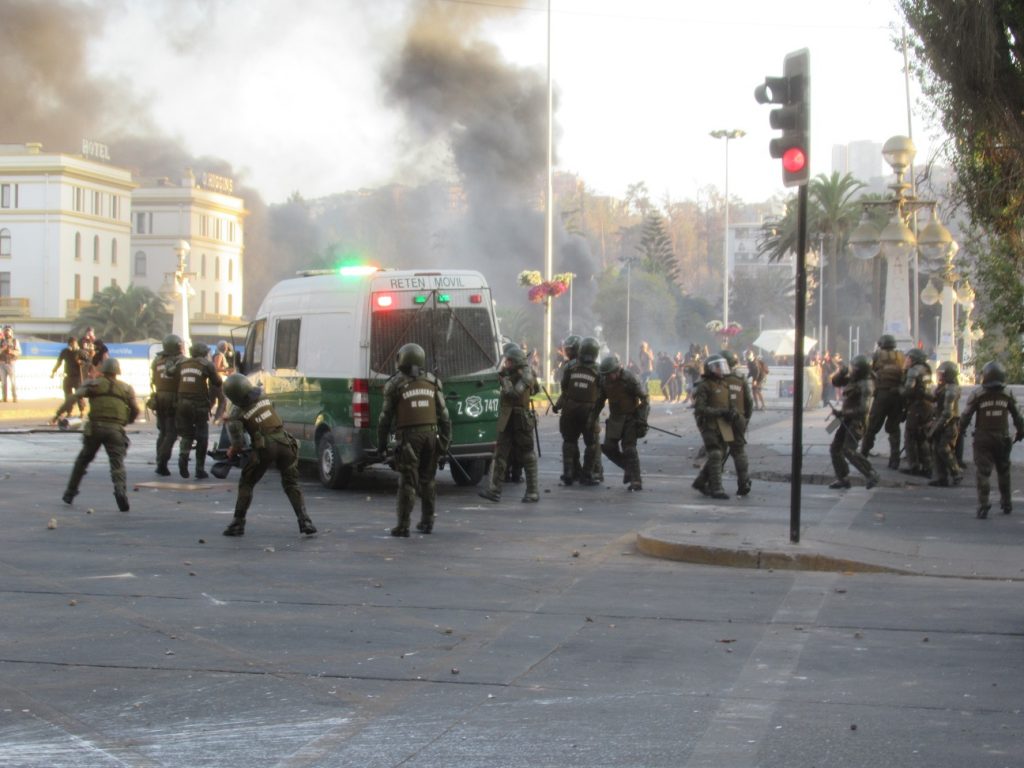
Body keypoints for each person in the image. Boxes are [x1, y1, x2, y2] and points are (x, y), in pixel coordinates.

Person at [220, 373, 317, 537]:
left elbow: (238, 444)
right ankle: (305, 521)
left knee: (247, 483)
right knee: (291, 484)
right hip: (286, 444)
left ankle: (237, 523)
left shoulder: (236, 414)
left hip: (265, 449)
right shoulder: (263, 396)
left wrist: (231, 451)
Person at [376, 343, 452, 536]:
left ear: (401, 360)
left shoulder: (395, 385)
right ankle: (427, 522)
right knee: (428, 480)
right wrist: (444, 443)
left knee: (408, 482)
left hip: (409, 438)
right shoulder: (433, 382)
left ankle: (403, 526)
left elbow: (384, 419)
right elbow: (444, 417)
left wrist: (381, 446)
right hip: (431, 436)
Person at [58, 358, 139, 512]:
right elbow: (135, 410)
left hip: (95, 428)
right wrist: (126, 421)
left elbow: (74, 397)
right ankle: (120, 490)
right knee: (117, 464)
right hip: (115, 429)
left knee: (82, 461)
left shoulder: (93, 384)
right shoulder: (126, 388)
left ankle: (70, 493)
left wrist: (59, 413)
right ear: (117, 371)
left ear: (103, 370)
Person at [959, 361, 1024, 519]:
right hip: (1002, 436)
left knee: (983, 472)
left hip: (983, 438)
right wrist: (1020, 432)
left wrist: (960, 430)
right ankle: (1006, 502)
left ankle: (984, 504)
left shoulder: (978, 394)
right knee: (1004, 471)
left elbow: (966, 415)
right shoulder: (1007, 394)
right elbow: (1018, 416)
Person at [479, 346, 541, 503]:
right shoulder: (515, 373)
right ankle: (494, 490)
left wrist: (505, 381)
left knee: (527, 454)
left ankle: (532, 492)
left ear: (516, 362)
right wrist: (506, 375)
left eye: (509, 361)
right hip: (508, 418)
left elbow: (514, 394)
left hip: (520, 419)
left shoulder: (526, 374)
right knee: (500, 453)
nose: (506, 364)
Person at [592, 353, 649, 491]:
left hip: (630, 418)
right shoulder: (605, 381)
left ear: (617, 370)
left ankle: (636, 480)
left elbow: (645, 399)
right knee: (608, 448)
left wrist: (641, 418)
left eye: (610, 374)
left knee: (629, 448)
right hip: (615, 419)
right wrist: (591, 418)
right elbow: (600, 401)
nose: (608, 377)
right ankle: (629, 468)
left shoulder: (629, 379)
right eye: (605, 375)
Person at [552, 335, 602, 486]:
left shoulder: (570, 367)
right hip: (589, 411)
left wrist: (558, 405)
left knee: (569, 441)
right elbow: (603, 392)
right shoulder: (599, 370)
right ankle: (587, 475)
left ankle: (569, 473)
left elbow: (565, 389)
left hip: (570, 409)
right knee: (591, 444)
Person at [828, 355, 880, 490]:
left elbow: (863, 409)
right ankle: (843, 478)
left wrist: (843, 413)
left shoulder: (866, 384)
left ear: (859, 370)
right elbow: (836, 382)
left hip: (857, 422)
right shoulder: (855, 378)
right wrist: (842, 372)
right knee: (835, 448)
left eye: (853, 368)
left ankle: (871, 473)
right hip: (847, 418)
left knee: (848, 450)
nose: (851, 370)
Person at [691, 354, 738, 499]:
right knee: (715, 454)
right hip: (709, 424)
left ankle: (701, 481)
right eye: (717, 367)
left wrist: (733, 412)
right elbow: (700, 409)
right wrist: (720, 412)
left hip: (724, 424)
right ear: (709, 369)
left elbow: (730, 403)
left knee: (720, 455)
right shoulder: (703, 385)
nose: (720, 369)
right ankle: (717, 489)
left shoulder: (725, 384)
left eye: (722, 366)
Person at [173, 342, 222, 479]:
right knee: (202, 437)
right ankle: (199, 469)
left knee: (187, 434)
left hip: (182, 404)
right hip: (199, 405)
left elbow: (172, 375)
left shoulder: (182, 363)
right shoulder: (206, 365)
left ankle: (183, 457)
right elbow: (217, 382)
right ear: (203, 352)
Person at [860, 334, 906, 469]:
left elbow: (869, 370)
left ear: (881, 345)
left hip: (882, 394)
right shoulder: (901, 356)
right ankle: (894, 459)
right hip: (897, 395)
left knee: (872, 426)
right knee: (894, 428)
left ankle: (863, 454)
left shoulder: (877, 355)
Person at [149, 334, 185, 476]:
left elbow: (153, 379)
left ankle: (159, 461)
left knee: (163, 432)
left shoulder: (157, 361)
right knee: (171, 433)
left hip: (159, 398)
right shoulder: (180, 361)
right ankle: (162, 463)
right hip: (173, 398)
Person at [899, 348, 935, 478]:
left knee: (911, 436)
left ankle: (914, 466)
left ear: (914, 359)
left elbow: (908, 390)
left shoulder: (913, 370)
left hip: (917, 406)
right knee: (922, 436)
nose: (906, 360)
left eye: (908, 358)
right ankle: (927, 466)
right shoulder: (926, 369)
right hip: (927, 406)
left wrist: (898, 389)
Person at [928, 361, 963, 487]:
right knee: (936, 449)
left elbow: (948, 413)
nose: (939, 376)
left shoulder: (951, 390)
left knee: (944, 449)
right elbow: (933, 399)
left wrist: (935, 428)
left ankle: (956, 472)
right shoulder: (943, 387)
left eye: (941, 374)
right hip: (941, 421)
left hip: (949, 424)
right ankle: (941, 477)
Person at [51, 336, 89, 419]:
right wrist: (54, 371)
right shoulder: (65, 352)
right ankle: (69, 412)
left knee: (79, 395)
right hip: (68, 376)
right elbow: (59, 362)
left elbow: (88, 362)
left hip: (78, 377)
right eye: (71, 344)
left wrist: (81, 362)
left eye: (74, 343)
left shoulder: (81, 352)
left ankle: (82, 411)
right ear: (68, 344)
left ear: (76, 343)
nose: (72, 345)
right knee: (67, 395)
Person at [211, 340, 235, 423]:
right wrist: (228, 370)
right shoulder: (219, 355)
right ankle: (217, 419)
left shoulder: (218, 354)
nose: (226, 349)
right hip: (218, 380)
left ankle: (216, 418)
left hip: (217, 380)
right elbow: (216, 368)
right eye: (226, 347)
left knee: (214, 400)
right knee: (223, 401)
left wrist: (227, 373)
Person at [0, 324, 21, 402]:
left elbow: (19, 352)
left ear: (11, 332)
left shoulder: (15, 341)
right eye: (5, 331)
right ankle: (4, 398)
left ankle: (14, 397)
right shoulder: (1, 341)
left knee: (12, 381)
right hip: (2, 364)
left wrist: (11, 351)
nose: (6, 332)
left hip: (11, 363)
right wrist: (3, 349)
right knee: (3, 383)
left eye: (8, 331)